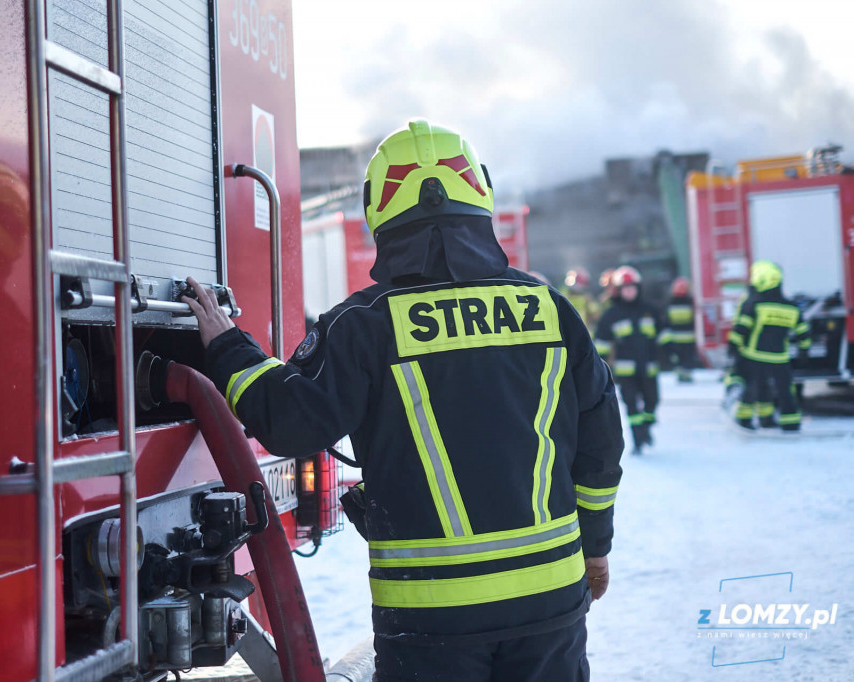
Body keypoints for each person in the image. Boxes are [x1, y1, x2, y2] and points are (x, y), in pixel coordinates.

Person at [178, 120, 624, 681]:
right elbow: (602, 440)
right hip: (551, 601)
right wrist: (597, 544)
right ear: (479, 193)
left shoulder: (365, 324)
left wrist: (228, 348)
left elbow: (290, 422)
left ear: (380, 212)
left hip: (432, 618)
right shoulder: (549, 309)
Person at [729, 261, 811, 431]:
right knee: (786, 391)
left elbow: (741, 329)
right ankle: (790, 422)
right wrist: (804, 351)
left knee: (754, 389)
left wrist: (733, 348)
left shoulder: (754, 304)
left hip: (754, 356)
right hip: (780, 358)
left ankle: (745, 419)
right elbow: (803, 331)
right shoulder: (791, 307)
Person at [594, 266, 662, 455]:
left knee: (652, 402)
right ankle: (638, 438)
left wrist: (669, 352)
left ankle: (647, 426)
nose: (629, 291)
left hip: (649, 368)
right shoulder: (611, 314)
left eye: (632, 287)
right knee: (631, 404)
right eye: (625, 288)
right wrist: (598, 366)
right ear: (619, 290)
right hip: (626, 372)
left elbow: (663, 333)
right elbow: (602, 342)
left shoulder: (651, 310)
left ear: (638, 288)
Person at [658, 277, 699, 382]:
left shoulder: (668, 304)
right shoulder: (691, 303)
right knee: (686, 360)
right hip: (689, 339)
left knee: (679, 361)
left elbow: (664, 324)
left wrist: (666, 344)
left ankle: (682, 374)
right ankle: (685, 374)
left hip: (676, 340)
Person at [560, 268, 599, 332]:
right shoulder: (563, 294)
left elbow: (596, 315)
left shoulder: (587, 297)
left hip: (582, 330)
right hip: (565, 329)